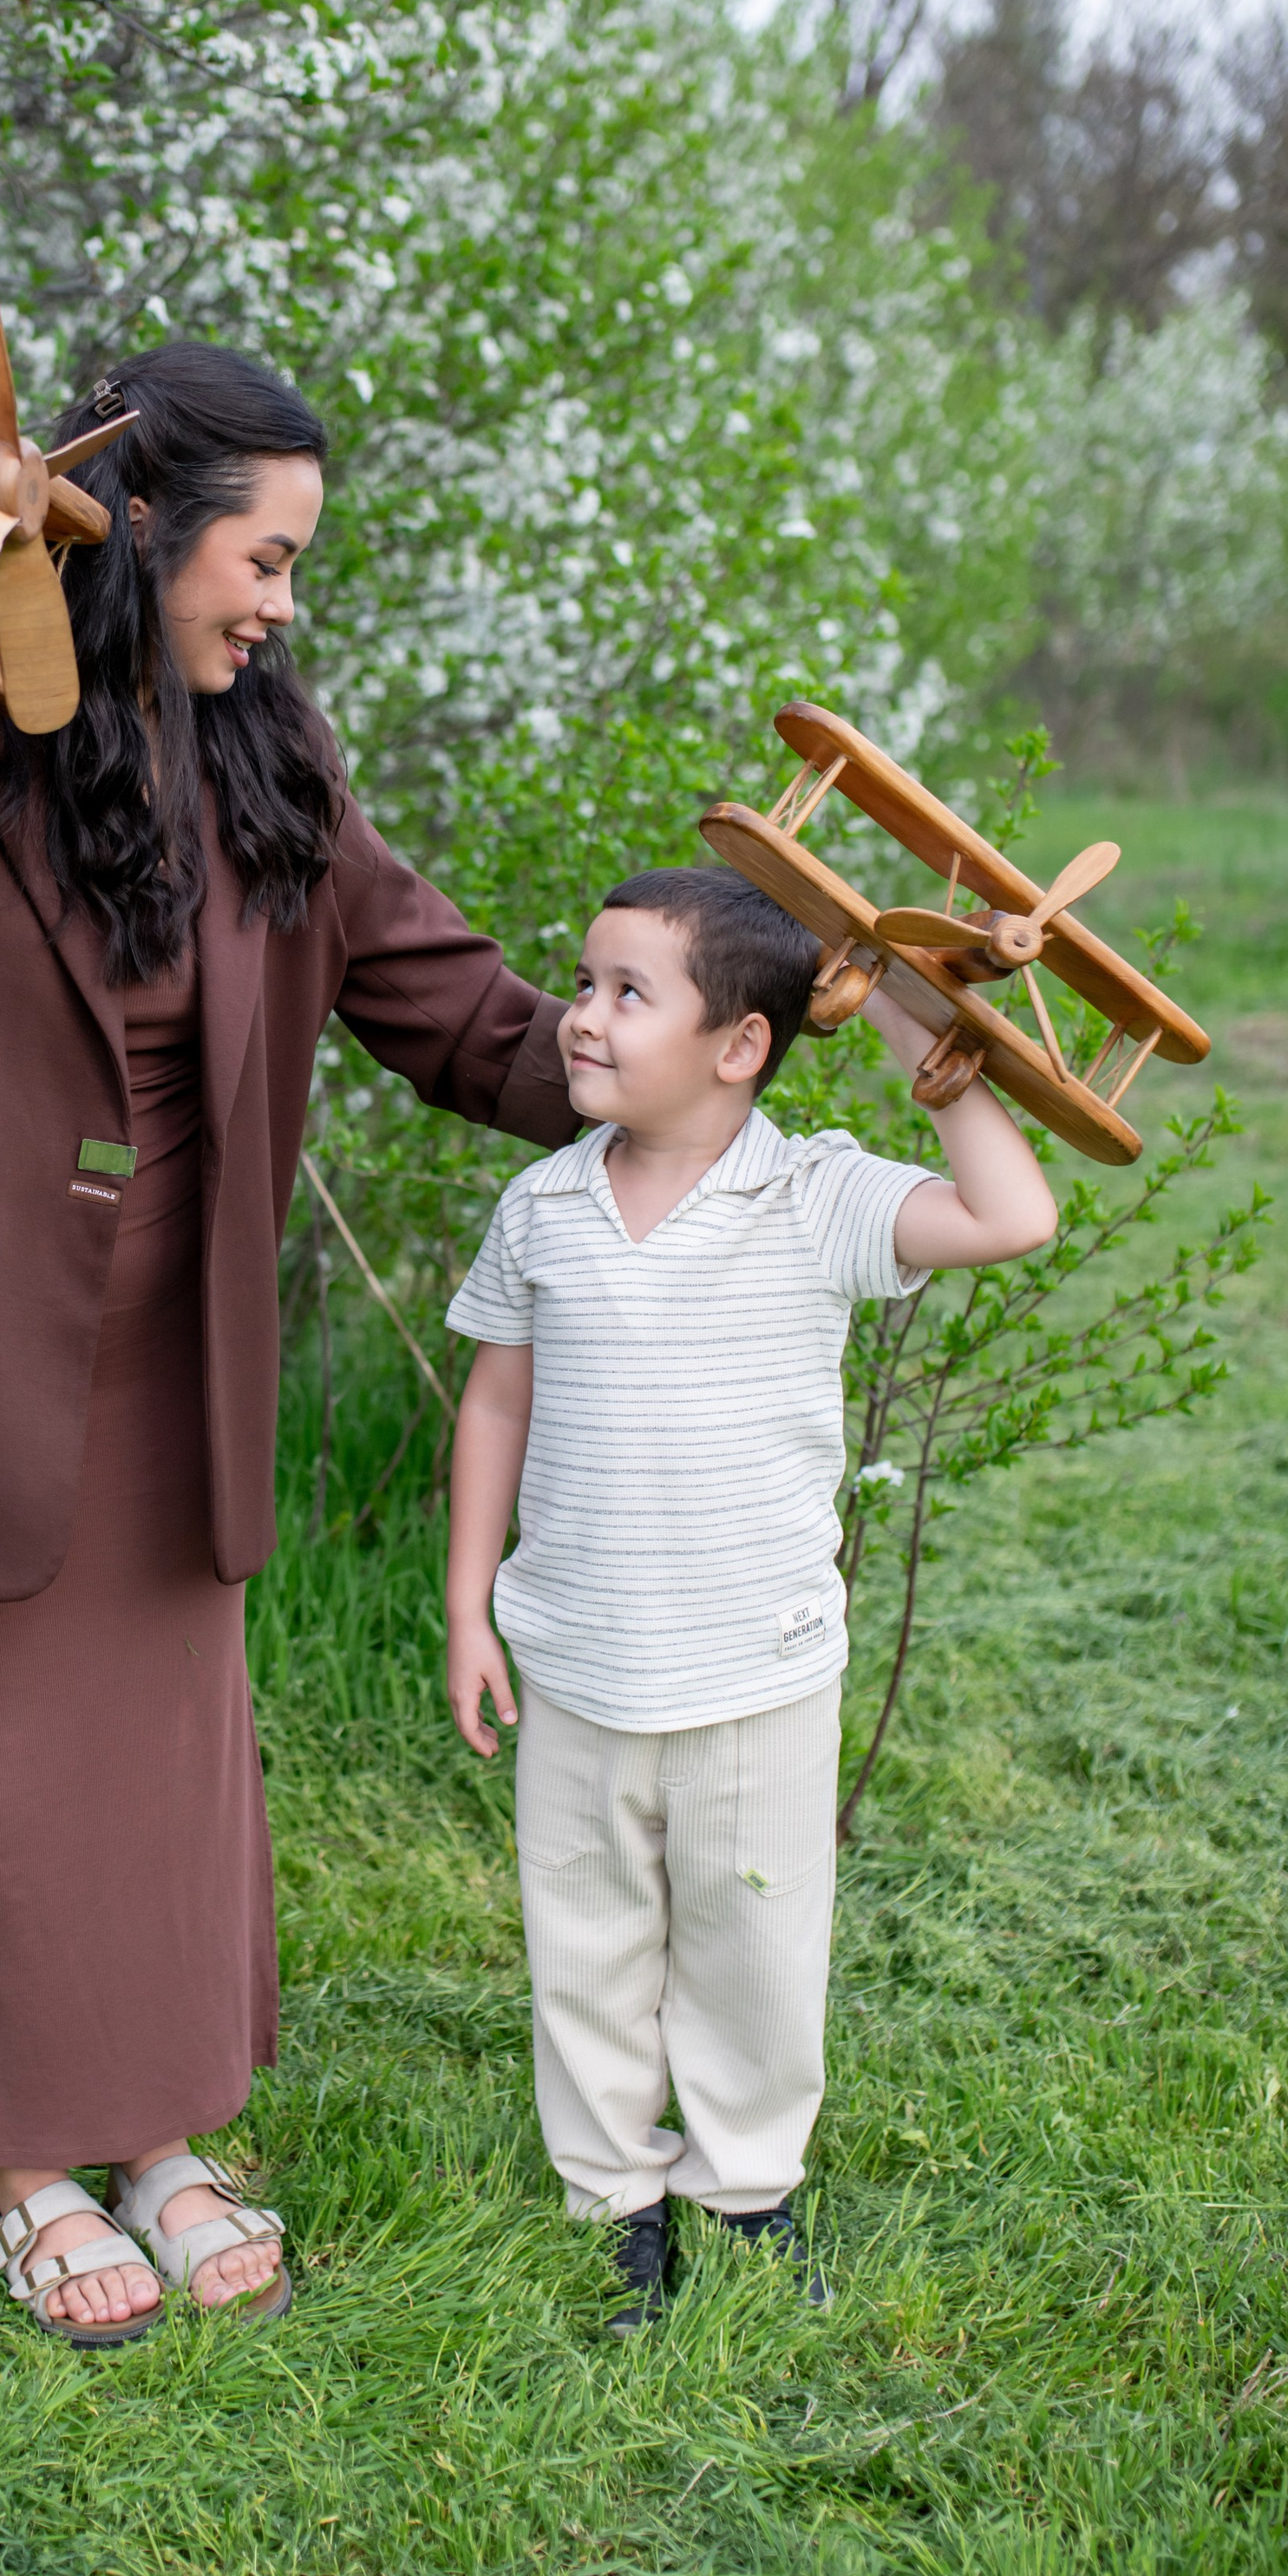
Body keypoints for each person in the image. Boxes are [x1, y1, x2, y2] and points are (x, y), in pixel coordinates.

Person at [0, 343, 579, 2343]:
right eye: (263, 556)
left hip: (182, 1349)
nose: (281, 600)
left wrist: (738, 1022)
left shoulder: (272, 764)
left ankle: (159, 2136)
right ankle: (23, 2172)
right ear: (135, 526)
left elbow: (468, 1022)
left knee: (163, 1767)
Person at [441, 865, 1058, 2328]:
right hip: (581, 1658)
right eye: (581, 984)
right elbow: (494, 1409)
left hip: (761, 1666)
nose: (580, 1018)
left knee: (756, 1940)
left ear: (741, 1047)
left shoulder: (819, 1195)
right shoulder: (543, 1209)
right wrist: (471, 1603)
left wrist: (922, 1017)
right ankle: (612, 2193)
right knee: (586, 1939)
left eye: (625, 994)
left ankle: (745, 2183)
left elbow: (1013, 1214)